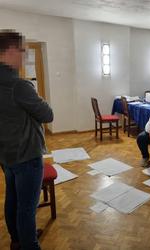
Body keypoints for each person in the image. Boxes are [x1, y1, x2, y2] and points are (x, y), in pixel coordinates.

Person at [0, 30, 53, 250]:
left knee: (12, 199)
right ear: (11, 51)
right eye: (23, 51)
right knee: (27, 208)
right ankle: (29, 245)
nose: (25, 57)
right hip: (26, 155)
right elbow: (47, 115)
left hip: (6, 155)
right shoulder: (19, 86)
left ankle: (17, 239)